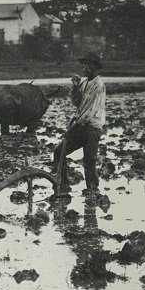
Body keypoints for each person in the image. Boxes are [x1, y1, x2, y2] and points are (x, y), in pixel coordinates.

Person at [53, 52, 106, 195]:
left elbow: (90, 110)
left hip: (91, 128)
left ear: (95, 67)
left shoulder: (98, 86)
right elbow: (77, 103)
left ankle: (92, 190)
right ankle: (63, 184)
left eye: (88, 65)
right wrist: (76, 87)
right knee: (59, 151)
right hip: (80, 126)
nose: (84, 67)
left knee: (89, 160)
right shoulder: (84, 83)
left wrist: (73, 127)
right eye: (84, 64)